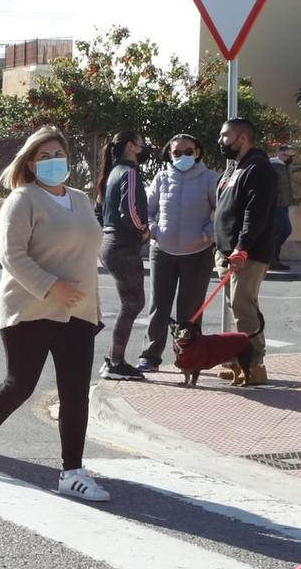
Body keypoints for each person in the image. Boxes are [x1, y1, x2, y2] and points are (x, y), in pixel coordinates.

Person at [0, 126, 109, 500]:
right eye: (42, 157)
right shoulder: (22, 199)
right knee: (21, 384)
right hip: (29, 307)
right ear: (30, 164)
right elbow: (11, 255)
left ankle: (72, 472)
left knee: (76, 392)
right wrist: (51, 286)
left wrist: (93, 307)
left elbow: (86, 258)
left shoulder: (80, 200)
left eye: (56, 155)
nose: (51, 162)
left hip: (76, 311)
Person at [137, 133, 220, 373]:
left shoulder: (209, 178)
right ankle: (150, 357)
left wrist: (208, 233)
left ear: (197, 152)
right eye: (177, 152)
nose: (182, 156)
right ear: (169, 154)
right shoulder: (161, 178)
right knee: (158, 307)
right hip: (162, 252)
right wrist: (154, 231)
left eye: (188, 151)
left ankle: (190, 359)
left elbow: (220, 210)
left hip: (198, 253)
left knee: (190, 311)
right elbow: (148, 211)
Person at [213, 117, 276, 385]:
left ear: (242, 138)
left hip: (246, 252)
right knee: (235, 305)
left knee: (243, 305)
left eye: (225, 135)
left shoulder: (259, 168)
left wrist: (242, 247)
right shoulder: (235, 168)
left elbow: (255, 213)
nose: (221, 141)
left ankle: (254, 364)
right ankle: (239, 360)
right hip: (226, 250)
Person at [95, 130, 149, 380]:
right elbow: (129, 211)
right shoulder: (130, 173)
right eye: (141, 144)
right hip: (123, 245)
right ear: (130, 147)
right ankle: (115, 362)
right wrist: (143, 231)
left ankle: (114, 360)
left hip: (110, 243)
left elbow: (99, 211)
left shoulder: (112, 173)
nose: (144, 148)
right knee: (133, 303)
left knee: (131, 303)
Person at [268, 143, 296, 272]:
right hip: (276, 205)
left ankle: (274, 259)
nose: (289, 158)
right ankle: (271, 258)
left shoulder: (286, 166)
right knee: (285, 230)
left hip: (284, 204)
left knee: (278, 232)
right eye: (287, 155)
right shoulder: (273, 165)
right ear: (280, 153)